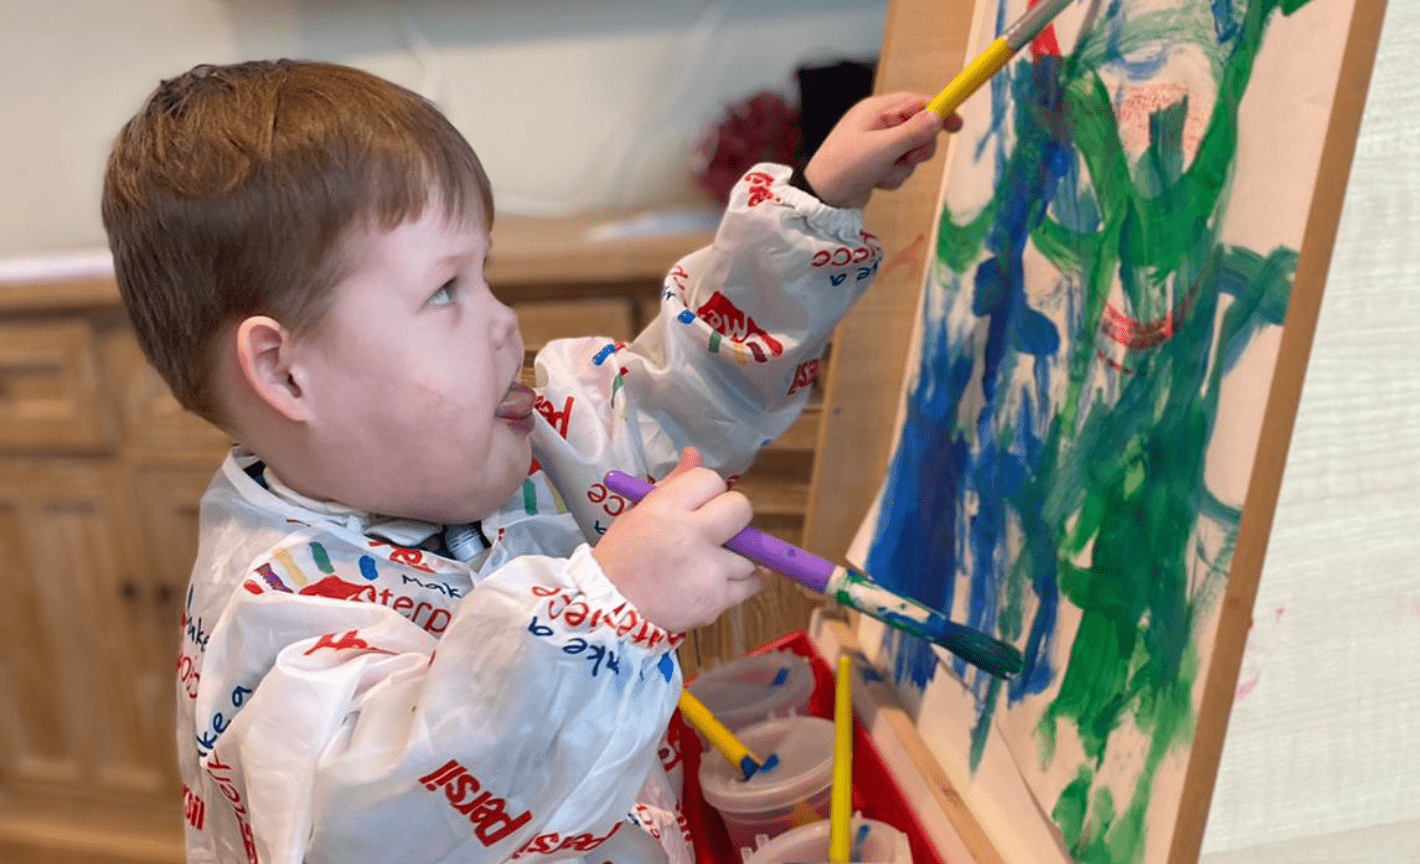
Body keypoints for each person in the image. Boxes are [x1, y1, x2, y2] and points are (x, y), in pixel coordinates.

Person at [103, 59, 957, 864]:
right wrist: (606, 607)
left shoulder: (526, 435)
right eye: (444, 291)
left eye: (487, 274)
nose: (504, 321)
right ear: (287, 372)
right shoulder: (274, 618)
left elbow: (682, 392)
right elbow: (385, 805)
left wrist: (815, 199)